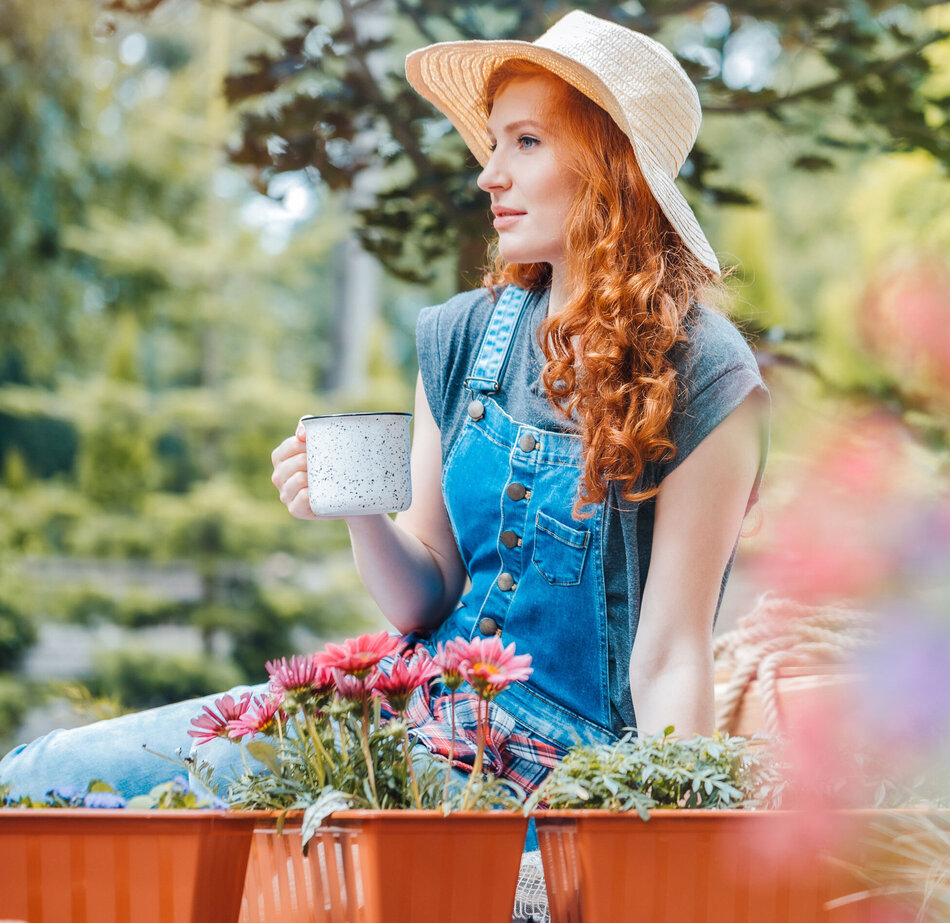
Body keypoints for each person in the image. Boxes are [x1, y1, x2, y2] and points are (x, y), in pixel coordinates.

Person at [0, 10, 768, 836]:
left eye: (526, 142)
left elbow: (671, 656)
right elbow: (424, 590)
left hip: (546, 782)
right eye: (494, 143)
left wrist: (674, 848)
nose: (488, 175)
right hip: (400, 719)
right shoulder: (462, 335)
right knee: (42, 776)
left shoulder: (706, 375)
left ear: (611, 166)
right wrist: (358, 508)